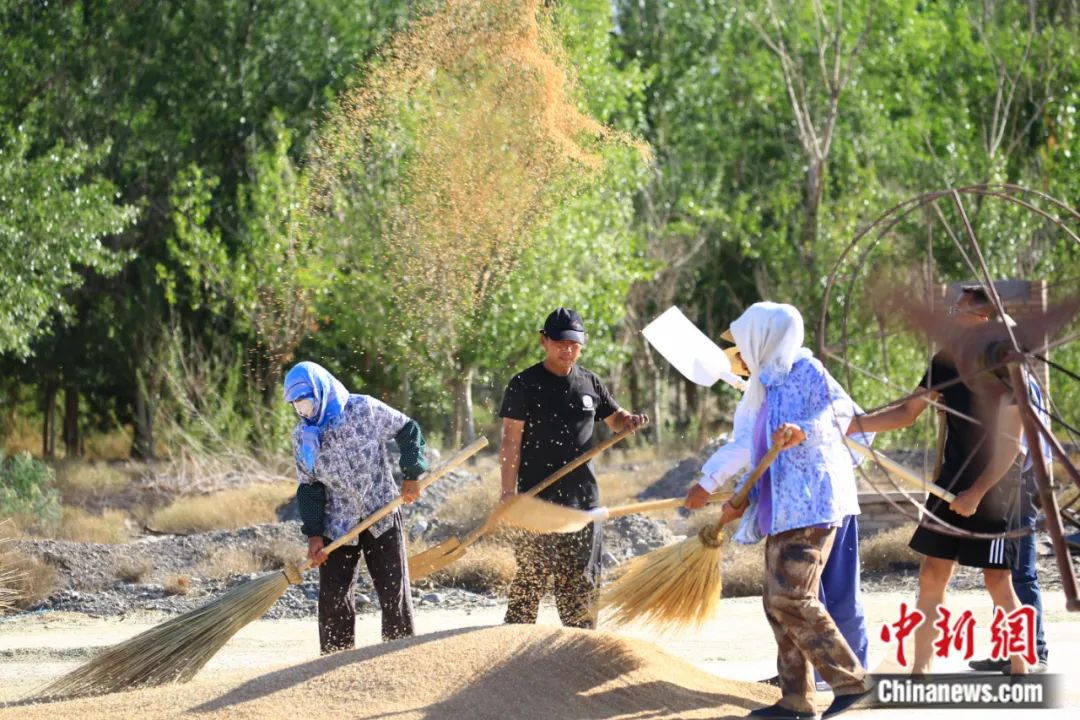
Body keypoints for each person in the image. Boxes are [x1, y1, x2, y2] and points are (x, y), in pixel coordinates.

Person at [848, 286, 1030, 676]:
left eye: (956, 311)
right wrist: (852, 425)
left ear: (983, 319)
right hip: (950, 481)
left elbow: (1011, 445)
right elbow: (906, 413)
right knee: (932, 573)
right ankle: (921, 667)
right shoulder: (944, 362)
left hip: (997, 488)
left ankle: (1021, 668)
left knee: (997, 580)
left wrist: (976, 494)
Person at [711, 302, 870, 720]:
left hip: (811, 503)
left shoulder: (807, 371)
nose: (740, 354)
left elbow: (843, 413)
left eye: (744, 343)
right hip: (781, 507)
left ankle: (853, 682)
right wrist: (742, 498)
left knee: (793, 597)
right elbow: (759, 449)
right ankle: (796, 700)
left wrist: (805, 429)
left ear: (763, 338)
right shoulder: (766, 384)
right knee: (775, 603)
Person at [499, 307, 647, 629]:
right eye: (560, 342)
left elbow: (615, 418)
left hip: (583, 502)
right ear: (544, 341)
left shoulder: (590, 382)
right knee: (530, 578)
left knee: (581, 582)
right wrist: (508, 492)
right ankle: (513, 646)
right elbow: (511, 440)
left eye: (574, 344)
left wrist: (628, 421)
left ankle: (580, 646)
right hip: (536, 500)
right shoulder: (524, 384)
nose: (568, 350)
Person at [284, 361, 429, 653]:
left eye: (305, 400)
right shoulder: (303, 436)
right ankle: (335, 660)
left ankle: (400, 655)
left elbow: (407, 429)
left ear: (320, 391)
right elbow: (310, 487)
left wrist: (412, 474)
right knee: (334, 598)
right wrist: (314, 534)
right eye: (296, 403)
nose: (302, 408)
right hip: (337, 524)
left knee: (393, 591)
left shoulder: (363, 409)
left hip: (381, 512)